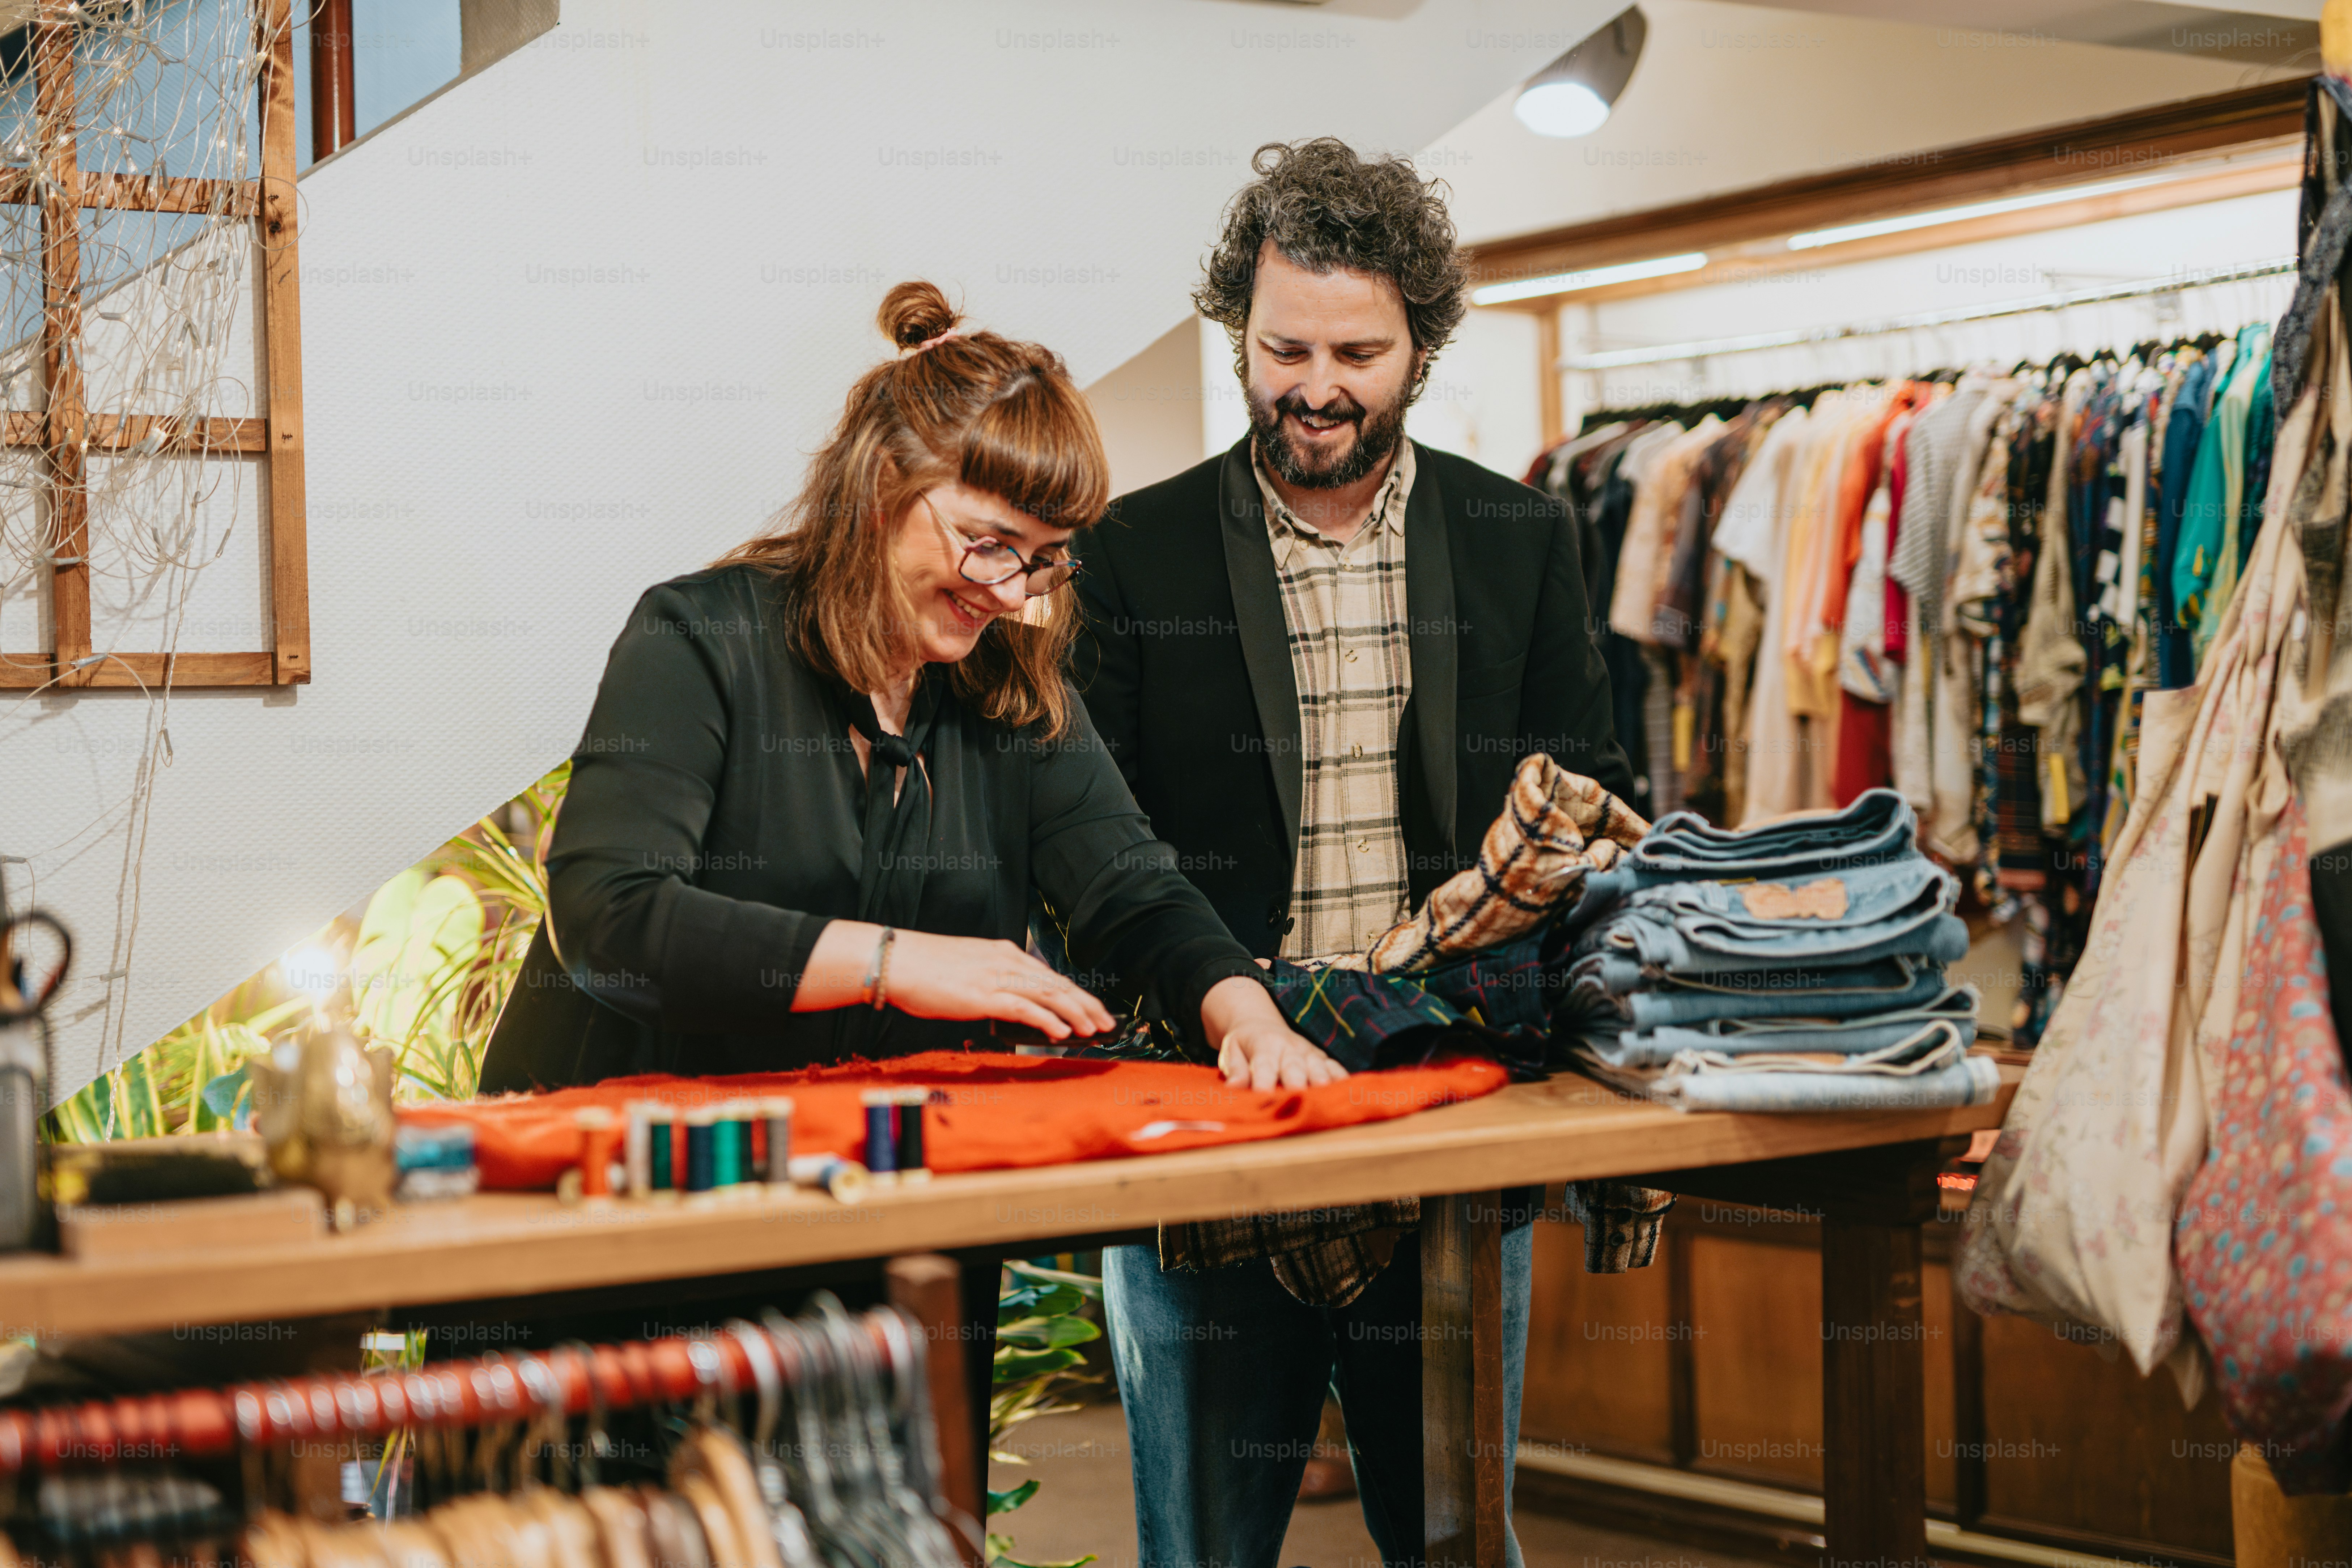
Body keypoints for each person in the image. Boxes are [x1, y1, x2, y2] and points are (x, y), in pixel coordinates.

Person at [476, 281, 1346, 1440]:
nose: (1007, 592)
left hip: (887, 1232)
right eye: (986, 542)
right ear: (884, 486)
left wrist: (1248, 1018)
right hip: (642, 1243)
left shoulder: (1007, 692)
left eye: (1041, 563)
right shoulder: (701, 640)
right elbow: (612, 917)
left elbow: (1131, 887)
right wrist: (897, 963)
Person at [1072, 139, 1633, 1567]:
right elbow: (1088, 843)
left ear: (1424, 345)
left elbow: (1592, 799)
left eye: (1359, 352)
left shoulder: (1522, 537)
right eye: (1283, 347)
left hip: (1439, 1118)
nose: (1315, 385)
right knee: (1199, 1549)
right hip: (1202, 1118)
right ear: (1238, 329)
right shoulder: (1134, 554)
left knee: (1455, 1544)